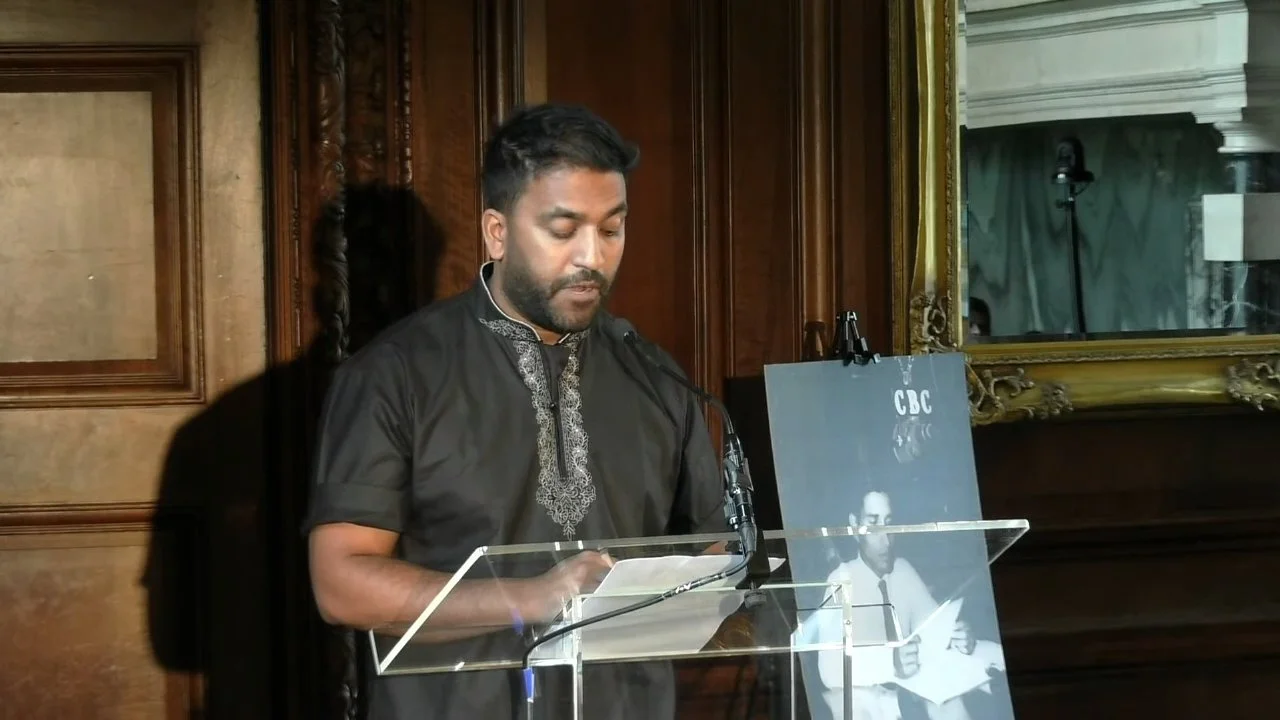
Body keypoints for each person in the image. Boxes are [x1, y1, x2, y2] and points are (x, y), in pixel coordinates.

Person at [304, 103, 727, 720]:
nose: (592, 257)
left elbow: (713, 552)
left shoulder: (653, 374)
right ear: (497, 232)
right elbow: (340, 583)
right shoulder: (396, 374)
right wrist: (533, 597)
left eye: (612, 230)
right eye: (563, 230)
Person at [806, 487, 1005, 720]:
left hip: (912, 697)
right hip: (866, 706)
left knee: (954, 697)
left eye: (889, 523)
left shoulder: (903, 570)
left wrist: (959, 638)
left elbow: (933, 626)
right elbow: (828, 669)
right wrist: (890, 662)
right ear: (854, 526)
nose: (886, 540)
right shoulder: (840, 580)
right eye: (873, 524)